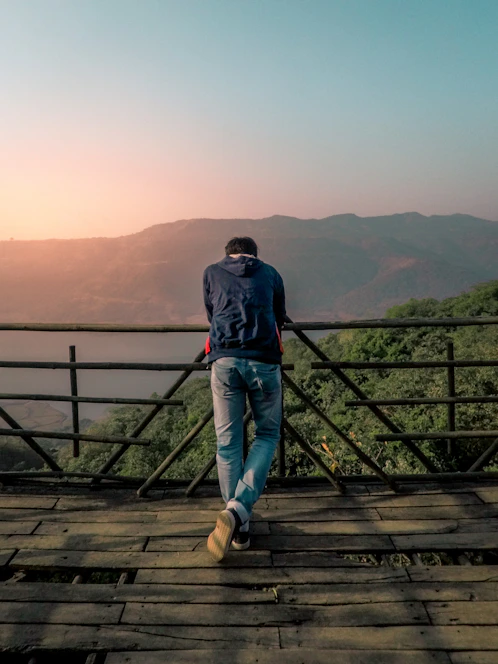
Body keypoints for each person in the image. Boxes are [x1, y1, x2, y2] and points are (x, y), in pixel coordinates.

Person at [203, 236, 286, 561]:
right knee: (266, 435)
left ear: (228, 255)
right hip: (264, 362)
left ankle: (239, 526)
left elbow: (212, 313)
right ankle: (239, 511)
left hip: (223, 362)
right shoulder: (270, 273)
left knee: (227, 442)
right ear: (254, 255)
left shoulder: (211, 272)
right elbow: (279, 315)